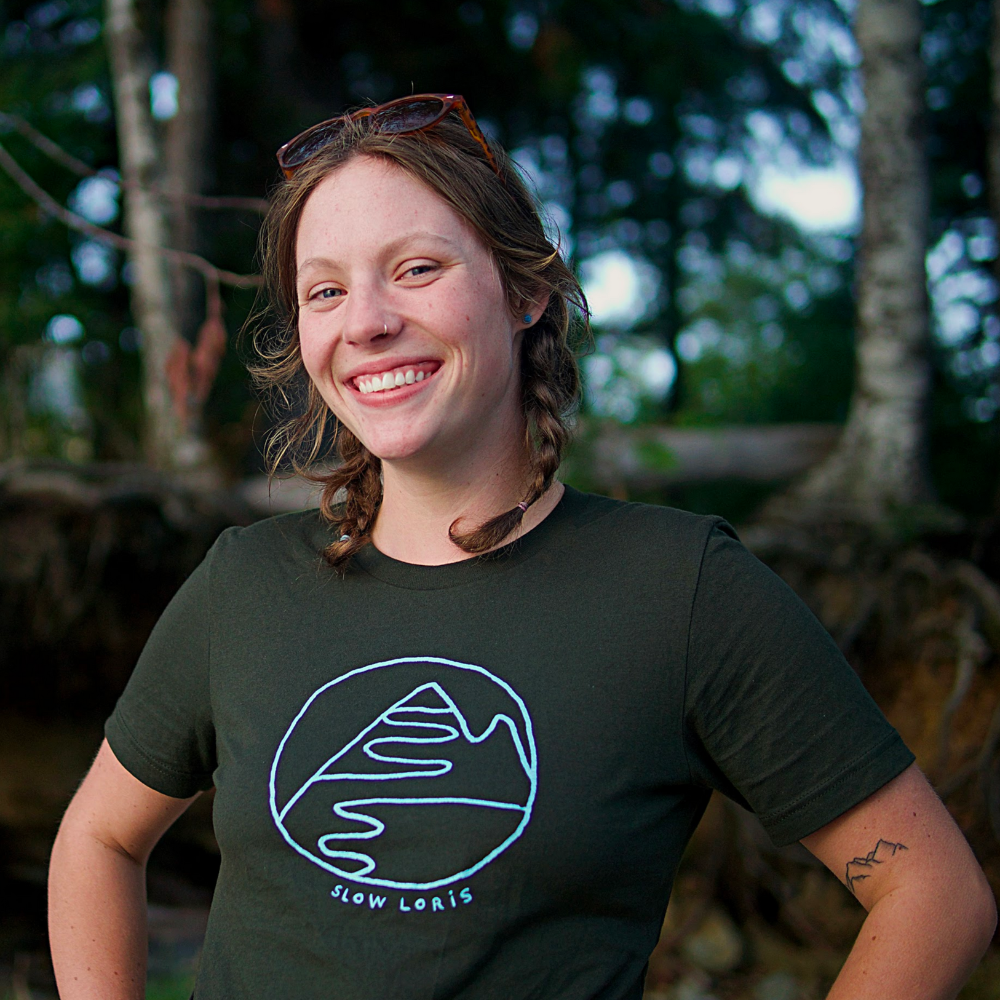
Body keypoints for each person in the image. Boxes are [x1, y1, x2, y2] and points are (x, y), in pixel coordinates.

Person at [48, 93, 995, 1000]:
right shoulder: (244, 586)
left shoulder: (679, 592)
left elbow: (934, 896)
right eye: (326, 289)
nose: (367, 322)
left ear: (528, 291)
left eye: (417, 269)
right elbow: (98, 840)